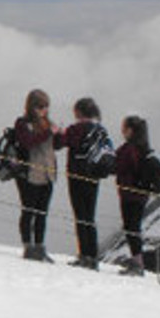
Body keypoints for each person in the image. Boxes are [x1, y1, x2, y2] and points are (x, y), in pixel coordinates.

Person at [56, 97, 108, 270]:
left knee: (80, 216)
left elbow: (58, 144)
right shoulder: (100, 130)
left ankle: (84, 255)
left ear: (79, 112)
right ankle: (93, 257)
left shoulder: (75, 129)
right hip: (93, 178)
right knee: (90, 217)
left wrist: (58, 132)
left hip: (76, 177)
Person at [12, 89, 58, 263]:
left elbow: (55, 146)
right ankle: (28, 246)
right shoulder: (22, 123)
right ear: (31, 107)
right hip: (29, 175)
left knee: (42, 213)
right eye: (40, 107)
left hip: (47, 174)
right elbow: (28, 142)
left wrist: (60, 136)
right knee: (28, 210)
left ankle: (40, 247)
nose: (43, 110)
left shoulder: (48, 123)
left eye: (46, 106)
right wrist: (48, 133)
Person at [114, 115, 155, 277]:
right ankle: (137, 261)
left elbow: (116, 165)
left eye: (124, 128)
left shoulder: (129, 149)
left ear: (130, 130)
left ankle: (137, 264)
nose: (122, 131)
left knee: (131, 227)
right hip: (141, 195)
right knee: (133, 227)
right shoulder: (144, 148)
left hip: (129, 194)